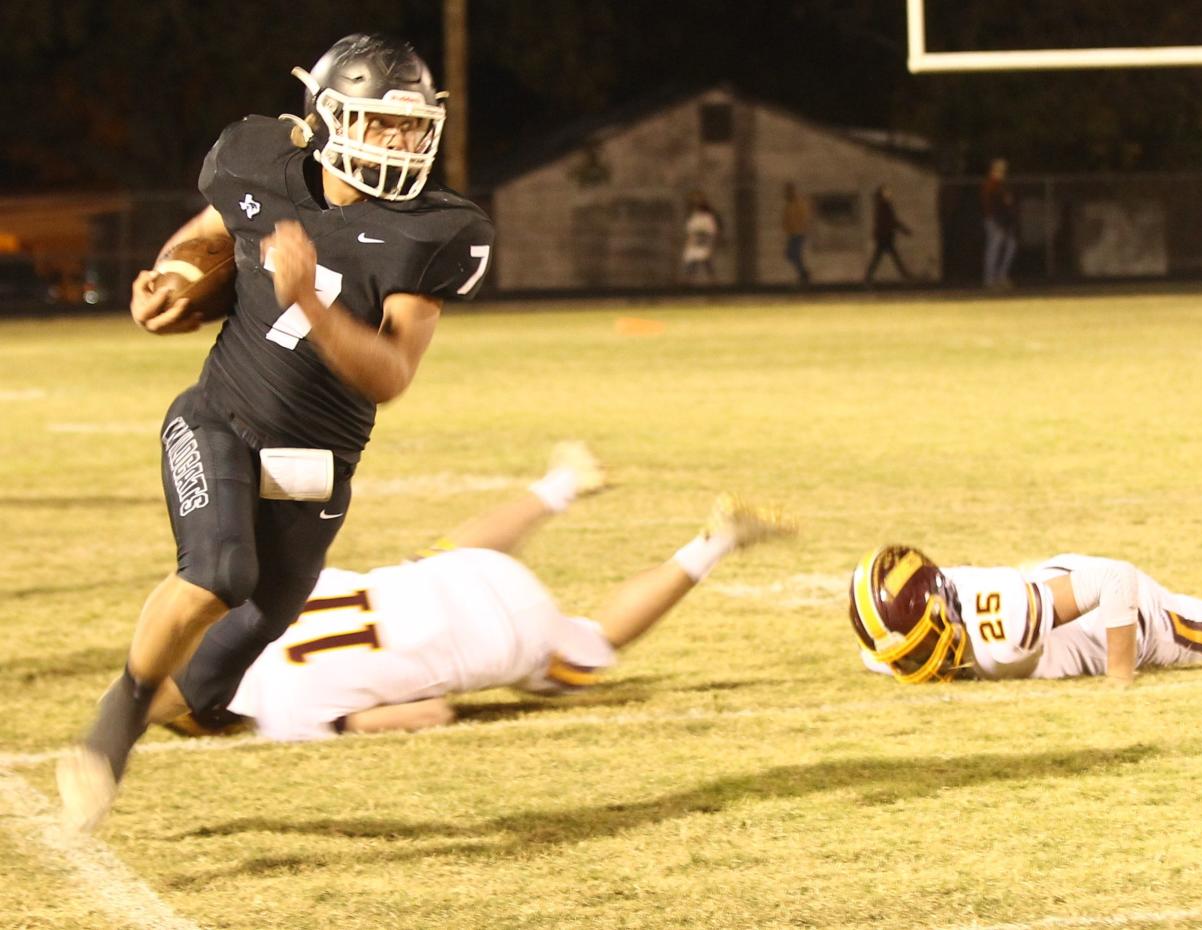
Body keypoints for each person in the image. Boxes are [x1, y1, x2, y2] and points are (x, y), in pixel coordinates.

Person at [57, 33, 496, 833]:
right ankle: (114, 723)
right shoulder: (256, 160)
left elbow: (391, 374)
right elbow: (208, 232)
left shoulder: (436, 229)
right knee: (218, 570)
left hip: (319, 466)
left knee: (231, 652)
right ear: (325, 119)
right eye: (380, 124)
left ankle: (152, 703)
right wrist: (172, 281)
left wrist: (312, 303)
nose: (400, 144)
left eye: (411, 127)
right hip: (218, 416)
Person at [144, 442, 797, 741]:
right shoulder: (264, 611)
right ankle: (559, 484)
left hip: (507, 636)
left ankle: (718, 541)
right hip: (465, 571)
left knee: (593, 650)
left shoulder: (282, 718)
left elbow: (431, 716)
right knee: (431, 559)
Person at [848, 544, 1202, 685]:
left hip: (1127, 618)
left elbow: (1115, 579)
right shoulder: (900, 641)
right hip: (1050, 590)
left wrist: (1119, 680)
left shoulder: (999, 628)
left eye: (919, 649)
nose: (912, 664)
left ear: (944, 612)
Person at [862, 185, 913, 286]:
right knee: (888, 256)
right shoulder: (884, 206)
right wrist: (904, 230)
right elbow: (891, 221)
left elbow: (888, 221)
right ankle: (905, 275)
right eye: (886, 193)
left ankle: (868, 277)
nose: (889, 194)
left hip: (883, 235)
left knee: (882, 257)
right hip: (885, 235)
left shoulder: (880, 206)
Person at [981, 158, 1017, 288]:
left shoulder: (1002, 184)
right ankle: (990, 279)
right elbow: (990, 204)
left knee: (1010, 246)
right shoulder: (991, 184)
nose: (1003, 171)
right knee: (994, 248)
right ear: (993, 169)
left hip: (1004, 220)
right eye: (1000, 168)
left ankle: (1001, 276)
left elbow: (1008, 202)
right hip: (994, 220)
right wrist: (996, 219)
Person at [681, 191, 720, 284]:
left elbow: (712, 231)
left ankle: (713, 280)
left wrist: (710, 242)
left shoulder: (707, 217)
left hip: (704, 241)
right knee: (692, 262)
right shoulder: (694, 216)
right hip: (695, 241)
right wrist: (689, 242)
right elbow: (690, 230)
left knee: (706, 260)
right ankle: (688, 280)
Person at [781, 182, 811, 288]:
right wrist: (786, 228)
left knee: (793, 254)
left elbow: (804, 216)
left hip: (799, 233)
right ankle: (803, 274)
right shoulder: (789, 204)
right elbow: (786, 219)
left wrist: (802, 228)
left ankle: (804, 275)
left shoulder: (798, 203)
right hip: (792, 233)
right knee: (790, 254)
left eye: (788, 191)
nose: (786, 193)